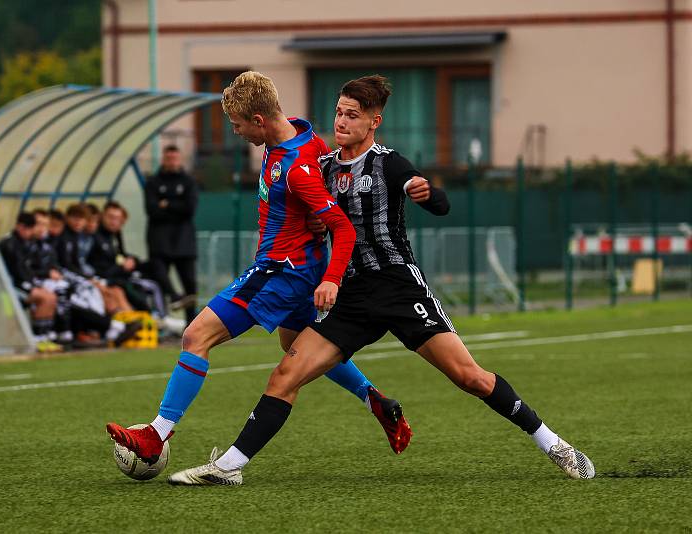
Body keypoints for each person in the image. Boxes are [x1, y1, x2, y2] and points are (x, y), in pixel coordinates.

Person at [167, 75, 595, 486]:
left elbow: (435, 200)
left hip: (397, 288)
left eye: (352, 115)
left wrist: (428, 193)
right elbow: (311, 209)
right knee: (285, 375)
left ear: (374, 122)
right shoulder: (323, 165)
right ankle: (229, 466)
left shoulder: (389, 163)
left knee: (470, 378)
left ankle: (552, 442)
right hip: (352, 297)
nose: (341, 121)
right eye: (338, 112)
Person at [106, 71, 413, 466]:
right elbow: (322, 194)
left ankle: (156, 434)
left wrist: (332, 274)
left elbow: (340, 224)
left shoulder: (297, 166)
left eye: (236, 125)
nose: (234, 132)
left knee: (195, 336)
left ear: (258, 120)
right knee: (296, 346)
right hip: (298, 268)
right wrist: (313, 224)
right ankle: (376, 401)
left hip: (282, 271)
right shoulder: (305, 138)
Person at [144, 144, 199, 324]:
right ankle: (162, 318)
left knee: (189, 282)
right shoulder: (153, 182)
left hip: (183, 240)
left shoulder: (188, 181)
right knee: (158, 276)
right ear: (163, 159)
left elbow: (189, 209)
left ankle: (191, 325)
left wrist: (166, 204)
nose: (172, 161)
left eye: (175, 158)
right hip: (159, 239)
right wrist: (176, 206)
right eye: (168, 158)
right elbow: (151, 209)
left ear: (180, 159)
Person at [0, 212, 61, 352]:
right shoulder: (9, 244)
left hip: (20, 285)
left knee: (51, 296)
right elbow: (16, 271)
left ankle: (43, 337)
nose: (29, 232)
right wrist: (31, 286)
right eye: (27, 228)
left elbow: (28, 268)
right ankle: (36, 339)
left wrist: (34, 283)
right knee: (45, 297)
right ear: (19, 226)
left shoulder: (27, 242)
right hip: (6, 289)